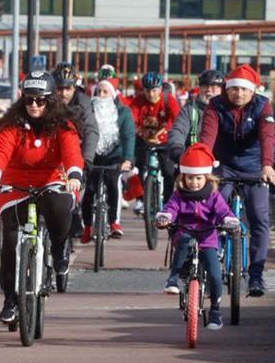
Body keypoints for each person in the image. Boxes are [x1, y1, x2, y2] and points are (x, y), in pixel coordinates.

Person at [0, 71, 84, 323]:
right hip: (15, 184)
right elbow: (0, 151)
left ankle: (59, 250)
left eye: (40, 100)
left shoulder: (63, 124)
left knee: (60, 207)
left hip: (50, 180)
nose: (34, 105)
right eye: (29, 100)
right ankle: (10, 301)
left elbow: (72, 152)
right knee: (8, 242)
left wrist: (74, 175)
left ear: (51, 100)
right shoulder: (13, 124)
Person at [198, 64, 275, 297]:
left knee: (259, 218)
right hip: (223, 166)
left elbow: (267, 136)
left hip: (255, 167)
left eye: (244, 90)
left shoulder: (263, 105)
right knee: (213, 209)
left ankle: (256, 275)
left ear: (253, 91)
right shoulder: (215, 105)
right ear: (227, 89)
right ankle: (216, 251)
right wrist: (202, 166)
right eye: (234, 89)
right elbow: (207, 138)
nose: (239, 94)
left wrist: (267, 165)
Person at [156, 144, 239, 329]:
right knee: (183, 243)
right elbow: (170, 208)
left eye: (199, 178)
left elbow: (223, 211)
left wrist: (229, 220)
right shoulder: (179, 195)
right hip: (185, 232)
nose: (194, 182)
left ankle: (216, 311)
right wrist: (165, 217)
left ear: (207, 177)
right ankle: (173, 278)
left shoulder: (213, 196)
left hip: (207, 238)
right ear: (183, 177)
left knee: (216, 275)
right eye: (190, 178)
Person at [80, 79, 135, 242]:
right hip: (92, 155)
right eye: (98, 92)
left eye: (105, 92)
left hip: (114, 155)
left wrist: (128, 159)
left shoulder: (123, 112)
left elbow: (128, 136)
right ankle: (88, 227)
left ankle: (113, 223)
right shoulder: (88, 110)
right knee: (89, 189)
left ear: (113, 94)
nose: (101, 95)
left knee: (112, 183)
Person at [52, 62, 98, 238]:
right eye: (60, 88)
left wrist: (87, 159)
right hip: (52, 151)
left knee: (76, 187)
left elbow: (91, 131)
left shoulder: (84, 102)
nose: (64, 93)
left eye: (68, 88)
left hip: (76, 152)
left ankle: (74, 212)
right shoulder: (45, 100)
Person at [128, 71, 181, 214]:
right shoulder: (138, 101)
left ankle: (167, 203)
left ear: (160, 89)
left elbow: (178, 120)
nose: (151, 94)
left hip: (164, 141)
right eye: (147, 90)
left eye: (154, 90)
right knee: (134, 168)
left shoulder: (168, 99)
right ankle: (141, 199)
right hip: (144, 140)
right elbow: (130, 120)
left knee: (169, 173)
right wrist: (140, 132)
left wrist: (165, 133)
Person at [167, 69, 224, 162]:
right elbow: (178, 129)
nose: (209, 90)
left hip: (221, 161)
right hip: (194, 158)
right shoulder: (190, 109)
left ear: (222, 89)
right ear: (200, 88)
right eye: (205, 86)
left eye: (214, 86)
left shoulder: (227, 110)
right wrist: (177, 148)